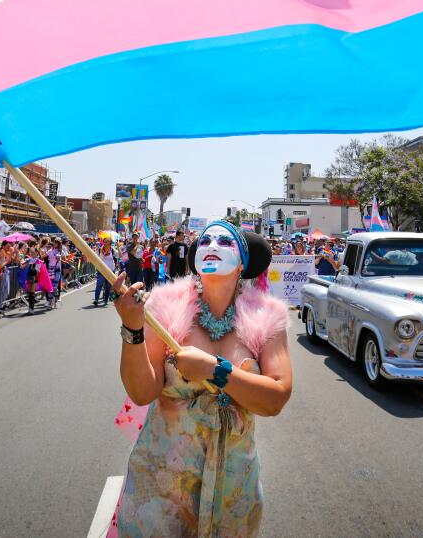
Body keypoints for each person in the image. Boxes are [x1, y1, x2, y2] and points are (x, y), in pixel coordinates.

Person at [113, 221, 291, 536]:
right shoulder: (164, 308)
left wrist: (215, 370)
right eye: (205, 240)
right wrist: (133, 328)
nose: (211, 245)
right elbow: (142, 392)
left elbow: (276, 397)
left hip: (233, 486)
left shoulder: (268, 317)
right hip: (162, 483)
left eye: (224, 242)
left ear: (242, 264)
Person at [94, 237, 116, 307]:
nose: (105, 243)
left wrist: (118, 247)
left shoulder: (112, 249)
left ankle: (106, 300)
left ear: (110, 243)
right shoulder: (100, 249)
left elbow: (119, 255)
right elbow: (97, 257)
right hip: (102, 270)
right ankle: (96, 300)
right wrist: (97, 250)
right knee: (99, 284)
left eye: (107, 241)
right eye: (105, 241)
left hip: (110, 271)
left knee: (107, 286)